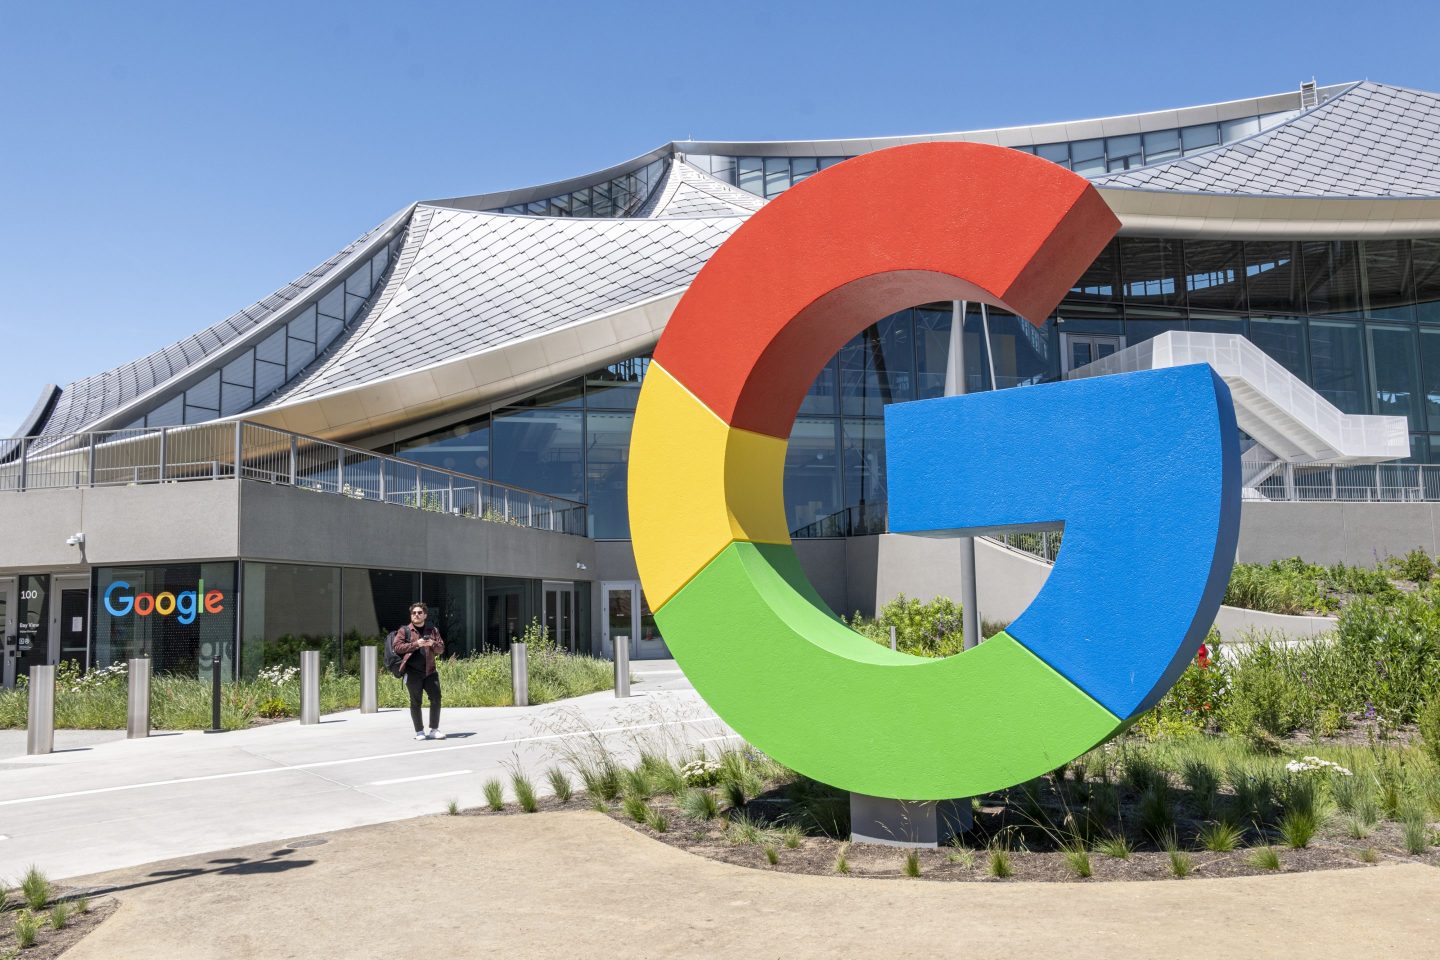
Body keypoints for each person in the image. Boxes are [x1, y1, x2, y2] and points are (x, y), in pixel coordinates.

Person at [393, 601, 445, 740]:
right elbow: (397, 647)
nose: (416, 615)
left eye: (419, 613)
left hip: (430, 671)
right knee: (416, 702)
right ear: (411, 615)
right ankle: (419, 732)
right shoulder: (405, 630)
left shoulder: (432, 630)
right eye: (414, 613)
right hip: (412, 672)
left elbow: (441, 649)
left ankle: (434, 729)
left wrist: (432, 643)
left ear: (425, 615)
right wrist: (416, 644)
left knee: (436, 699)